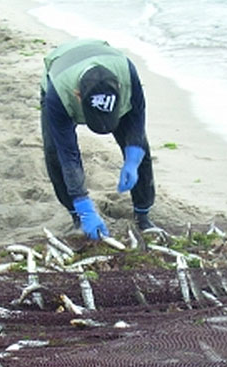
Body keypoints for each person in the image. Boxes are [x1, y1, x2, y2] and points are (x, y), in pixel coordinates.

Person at [40, 38, 157, 240]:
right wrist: (83, 204)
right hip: (60, 72)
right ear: (77, 96)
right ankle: (78, 216)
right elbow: (68, 154)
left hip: (109, 68)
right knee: (54, 153)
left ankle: (143, 213)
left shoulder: (127, 73)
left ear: (120, 88)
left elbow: (137, 114)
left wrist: (133, 156)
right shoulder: (58, 94)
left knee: (139, 146)